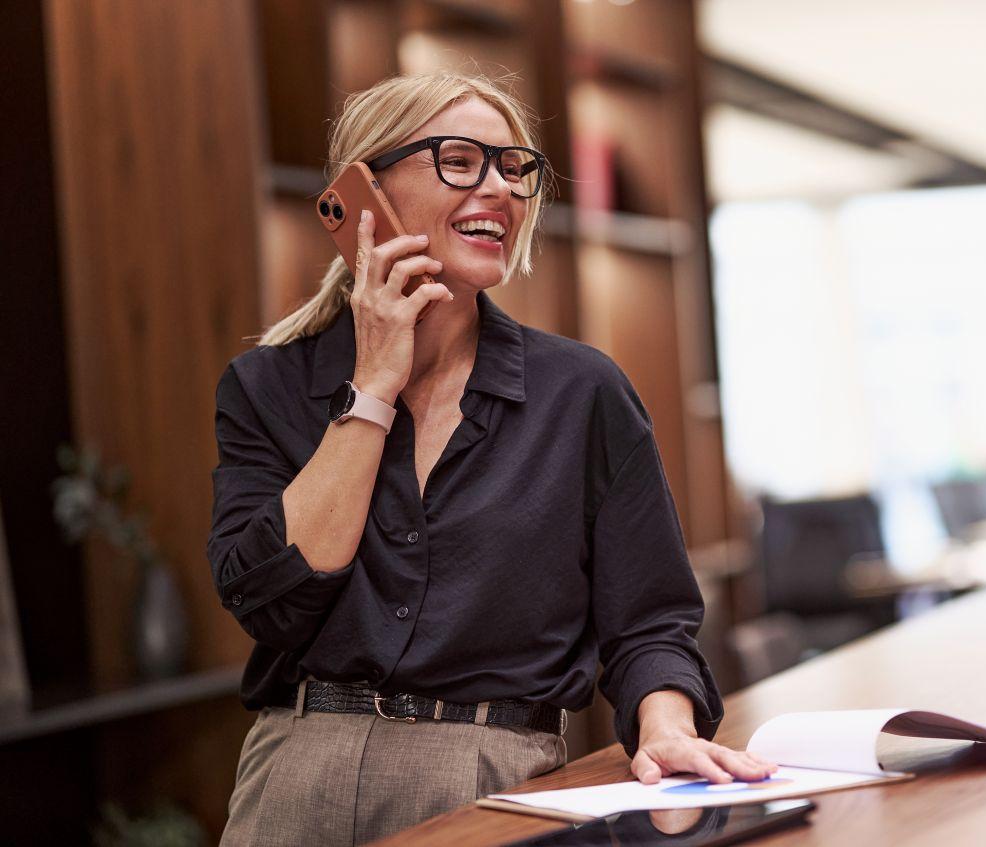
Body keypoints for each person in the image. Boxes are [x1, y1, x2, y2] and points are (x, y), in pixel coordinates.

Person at [207, 71, 775, 846]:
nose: (501, 189)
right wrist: (372, 387)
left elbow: (649, 623)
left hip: (495, 774)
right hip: (298, 773)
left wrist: (665, 723)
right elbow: (272, 600)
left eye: (514, 169)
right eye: (461, 160)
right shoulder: (266, 386)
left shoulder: (581, 391)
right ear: (361, 192)